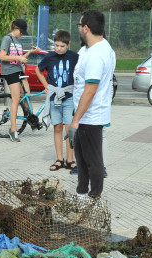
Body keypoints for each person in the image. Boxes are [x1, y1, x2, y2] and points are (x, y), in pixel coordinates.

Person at [67, 9, 114, 199]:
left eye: (79, 25)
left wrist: (75, 121)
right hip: (83, 114)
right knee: (81, 158)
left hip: (90, 116)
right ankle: (81, 193)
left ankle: (94, 198)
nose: (78, 28)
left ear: (86, 28)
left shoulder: (97, 55)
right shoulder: (91, 48)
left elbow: (90, 90)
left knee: (93, 161)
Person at [35, 29, 78, 171]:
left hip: (69, 97)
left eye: (62, 46)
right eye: (57, 45)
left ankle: (70, 160)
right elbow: (38, 70)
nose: (59, 48)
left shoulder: (74, 56)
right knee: (57, 127)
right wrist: (46, 85)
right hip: (54, 98)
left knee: (68, 128)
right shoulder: (49, 57)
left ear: (68, 45)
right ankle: (60, 159)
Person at [0, 19, 39, 142]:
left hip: (19, 70)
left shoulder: (18, 41)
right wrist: (18, 57)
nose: (22, 34)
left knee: (28, 95)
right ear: (16, 29)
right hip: (10, 71)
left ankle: (32, 121)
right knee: (16, 99)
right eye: (21, 32)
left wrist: (30, 52)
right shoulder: (7, 39)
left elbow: (19, 58)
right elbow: (2, 56)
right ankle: (13, 130)